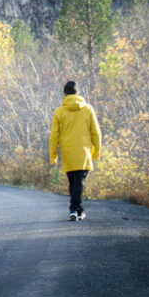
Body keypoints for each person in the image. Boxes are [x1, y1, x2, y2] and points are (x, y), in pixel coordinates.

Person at [49, 80, 101, 221]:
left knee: (74, 182)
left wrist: (53, 154)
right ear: (78, 93)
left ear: (65, 94)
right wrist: (96, 151)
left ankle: (78, 210)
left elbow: (54, 135)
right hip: (83, 151)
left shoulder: (59, 111)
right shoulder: (88, 109)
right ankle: (74, 209)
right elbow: (96, 132)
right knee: (78, 182)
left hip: (67, 152)